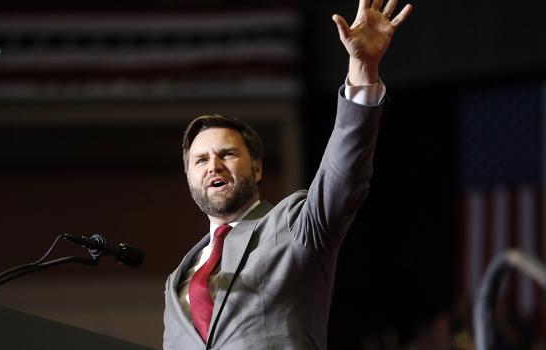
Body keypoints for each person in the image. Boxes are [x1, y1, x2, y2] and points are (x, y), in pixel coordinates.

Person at [163, 0, 413, 348]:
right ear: (189, 177)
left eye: (227, 154)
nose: (213, 166)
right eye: (200, 161)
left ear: (257, 167)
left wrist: (362, 70)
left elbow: (343, 173)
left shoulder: (296, 225)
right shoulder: (178, 280)